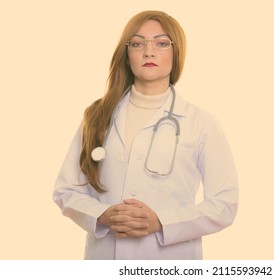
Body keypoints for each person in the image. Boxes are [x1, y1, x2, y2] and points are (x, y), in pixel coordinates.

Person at [53, 10, 238, 260]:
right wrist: (103, 215)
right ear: (127, 55)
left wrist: (161, 221)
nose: (148, 52)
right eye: (138, 43)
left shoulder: (201, 123)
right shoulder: (97, 116)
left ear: (176, 53)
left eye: (161, 43)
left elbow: (224, 204)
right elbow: (66, 191)